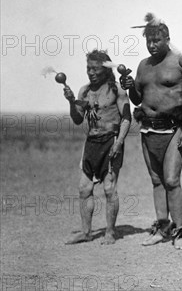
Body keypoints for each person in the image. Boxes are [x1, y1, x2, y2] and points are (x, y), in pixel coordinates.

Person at [121, 13, 182, 249]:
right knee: (157, 181)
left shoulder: (181, 62)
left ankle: (180, 231)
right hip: (148, 129)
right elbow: (137, 99)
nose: (153, 45)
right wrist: (130, 86)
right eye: (149, 42)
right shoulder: (143, 65)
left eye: (157, 41)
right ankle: (163, 227)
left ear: (167, 38)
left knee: (172, 180)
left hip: (174, 128)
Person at [63, 49, 131, 245]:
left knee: (109, 189)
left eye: (95, 69)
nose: (91, 73)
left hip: (111, 141)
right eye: (88, 69)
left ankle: (110, 232)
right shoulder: (84, 91)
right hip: (91, 143)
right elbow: (77, 119)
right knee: (84, 189)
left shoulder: (116, 89)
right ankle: (86, 232)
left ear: (105, 70)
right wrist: (70, 101)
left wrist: (118, 143)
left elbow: (127, 117)